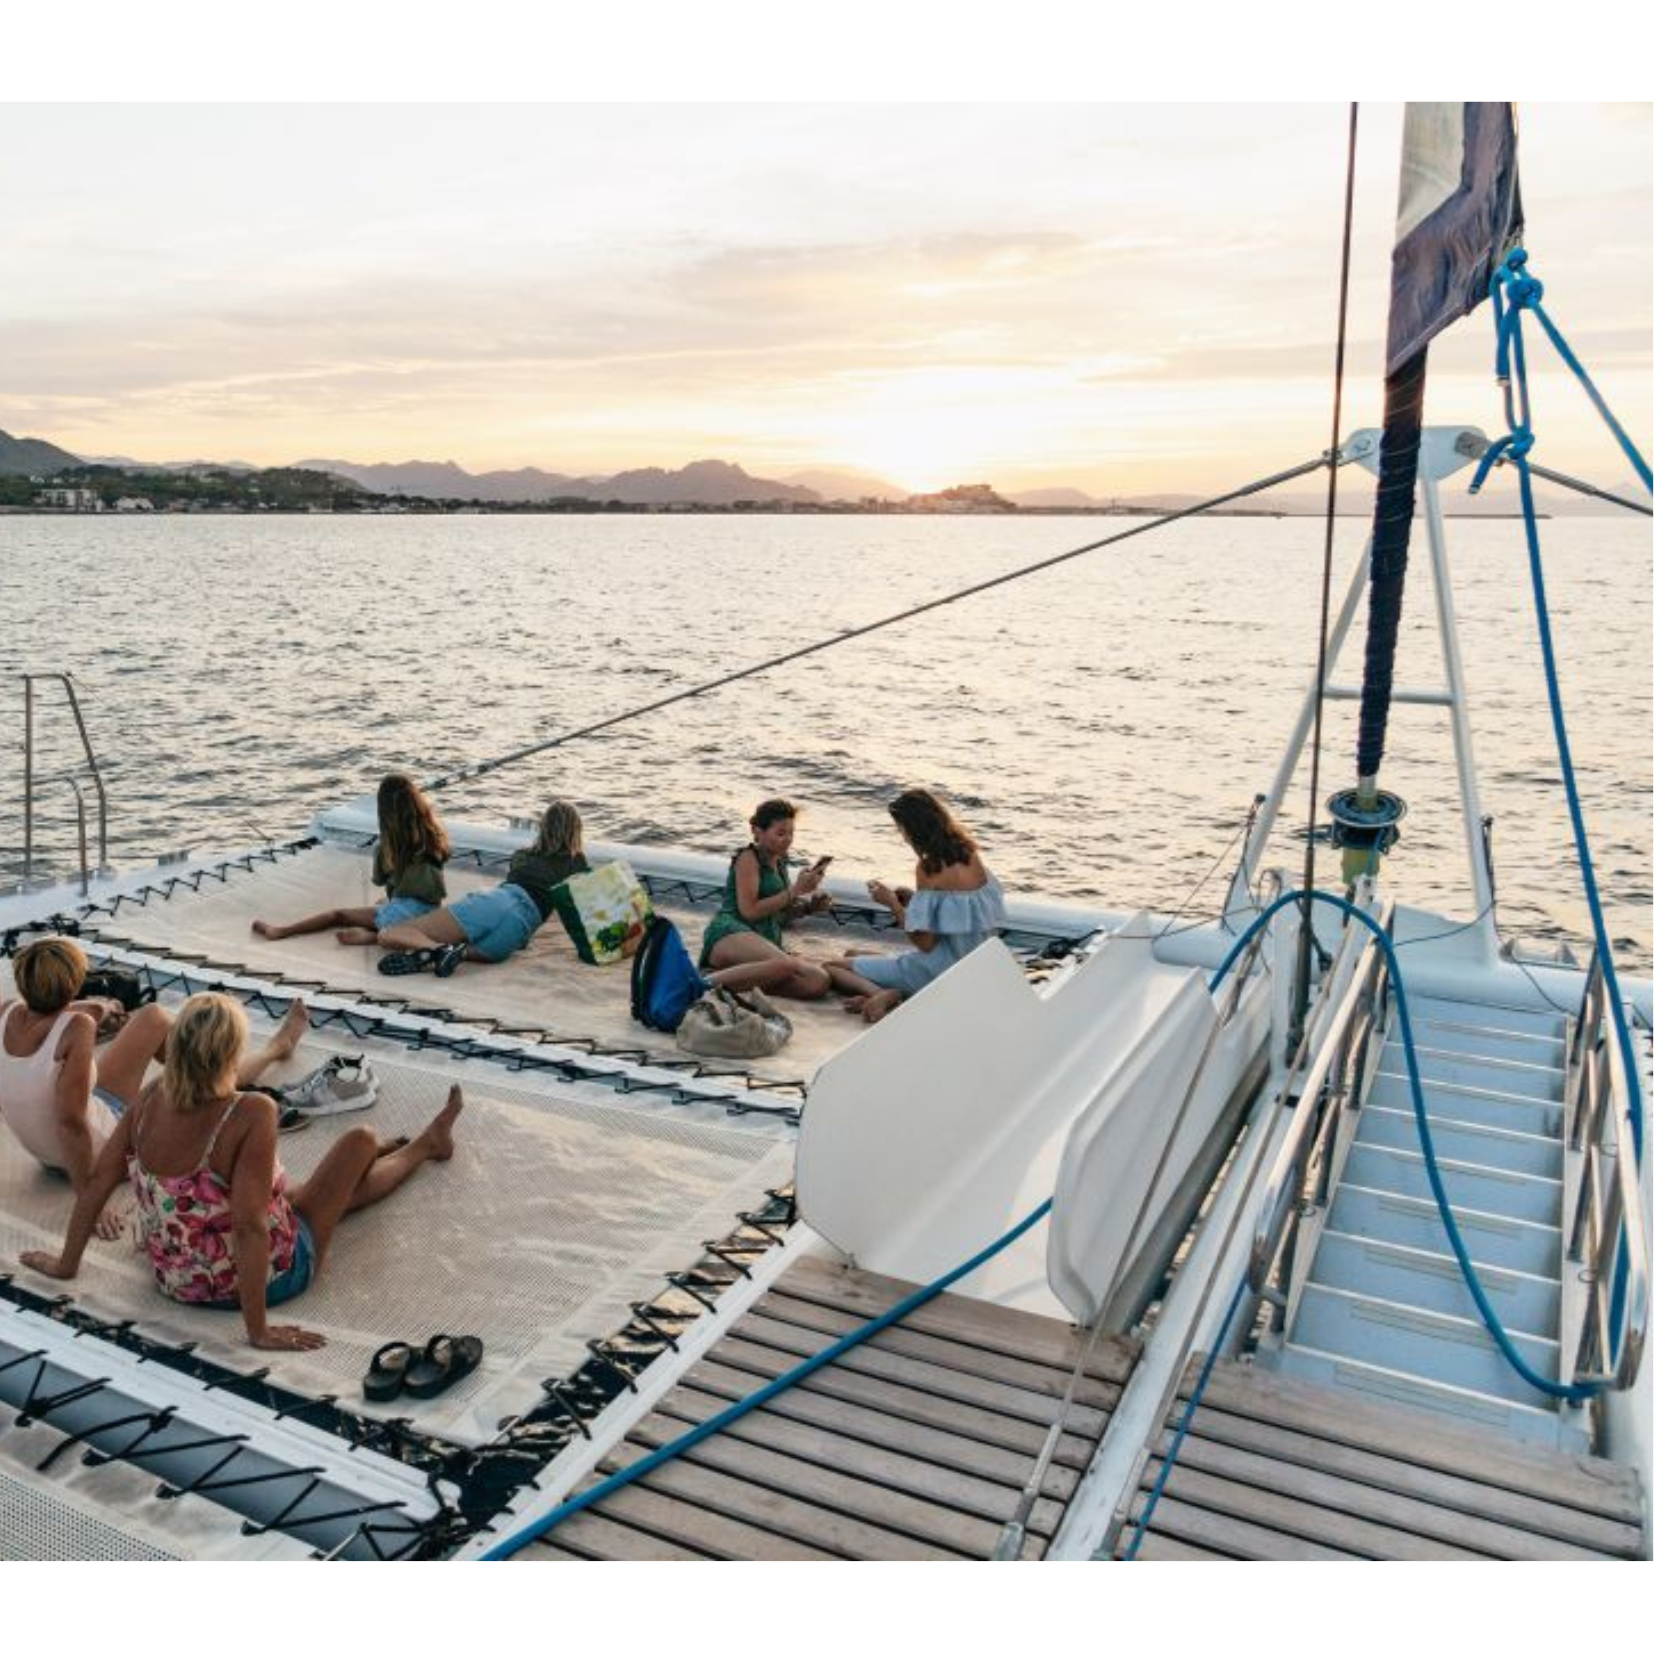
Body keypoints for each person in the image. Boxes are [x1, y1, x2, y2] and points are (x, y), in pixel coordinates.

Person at [22, 993, 463, 1353]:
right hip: (262, 1280)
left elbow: (99, 1181)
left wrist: (66, 1264)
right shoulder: (251, 1110)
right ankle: (424, 1146)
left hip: (175, 1277)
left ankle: (395, 1154)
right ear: (230, 1054)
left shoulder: (152, 1097)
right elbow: (251, 1227)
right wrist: (258, 1331)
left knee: (303, 1192)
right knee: (359, 1141)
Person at [0, 938, 309, 1237]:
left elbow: (44, 1025)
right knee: (175, 1041)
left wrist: (96, 1006)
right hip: (95, 1151)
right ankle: (262, 1054)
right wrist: (89, 1197)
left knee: (152, 1017)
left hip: (45, 1152)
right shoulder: (78, 1027)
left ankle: (203, 1069)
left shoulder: (7, 1012)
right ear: (73, 983)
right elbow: (71, 1124)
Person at [826, 788, 1006, 1022]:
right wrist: (914, 901)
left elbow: (925, 943)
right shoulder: (969, 855)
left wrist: (892, 904)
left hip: (941, 971)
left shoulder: (928, 868)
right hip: (974, 966)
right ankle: (887, 982)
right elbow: (958, 912)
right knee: (853, 954)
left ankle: (886, 994)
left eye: (901, 829)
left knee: (832, 966)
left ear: (913, 829)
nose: (902, 836)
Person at [377, 801, 589, 976]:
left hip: (497, 903)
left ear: (543, 828)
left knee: (390, 934)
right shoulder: (578, 865)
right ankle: (448, 953)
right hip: (519, 930)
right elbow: (581, 915)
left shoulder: (524, 855)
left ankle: (437, 950)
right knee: (468, 949)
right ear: (576, 831)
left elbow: (521, 885)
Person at [252, 774, 451, 946]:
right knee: (386, 905)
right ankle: (381, 928)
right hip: (431, 911)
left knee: (338, 916)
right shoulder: (434, 837)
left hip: (402, 912)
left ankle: (281, 931)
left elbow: (380, 880)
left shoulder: (387, 847)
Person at [698, 799, 833, 998]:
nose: (787, 839)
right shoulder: (748, 858)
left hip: (762, 941)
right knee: (785, 964)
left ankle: (728, 979)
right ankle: (698, 984)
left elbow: (778, 915)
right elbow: (749, 911)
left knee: (817, 981)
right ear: (757, 832)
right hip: (731, 932)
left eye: (791, 833)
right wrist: (795, 890)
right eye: (780, 833)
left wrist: (808, 908)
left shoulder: (779, 862)